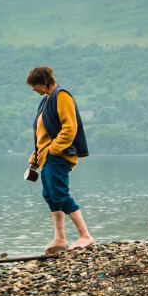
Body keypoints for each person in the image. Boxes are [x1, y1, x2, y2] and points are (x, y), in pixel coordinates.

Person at [26, 66, 94, 253]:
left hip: (57, 156)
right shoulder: (46, 100)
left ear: (45, 81)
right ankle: (60, 239)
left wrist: (55, 149)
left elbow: (69, 127)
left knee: (60, 195)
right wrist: (36, 157)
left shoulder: (61, 95)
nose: (33, 89)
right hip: (46, 157)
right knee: (50, 196)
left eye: (35, 85)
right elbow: (43, 134)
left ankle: (85, 236)